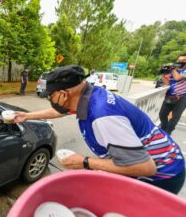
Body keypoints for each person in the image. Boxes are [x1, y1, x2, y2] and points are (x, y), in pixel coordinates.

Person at [14, 64, 185, 194]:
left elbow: (145, 167)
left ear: (64, 94)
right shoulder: (88, 95)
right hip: (159, 162)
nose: (50, 100)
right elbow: (60, 111)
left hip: (162, 175)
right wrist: (26, 116)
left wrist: (84, 162)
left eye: (50, 96)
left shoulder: (103, 117)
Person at [158, 53, 186, 135]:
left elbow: (177, 78)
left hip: (183, 97)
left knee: (174, 118)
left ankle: (167, 133)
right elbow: (167, 83)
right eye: (179, 60)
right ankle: (164, 130)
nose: (181, 62)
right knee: (162, 115)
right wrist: (163, 73)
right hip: (170, 96)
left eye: (184, 60)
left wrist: (172, 68)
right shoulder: (173, 69)